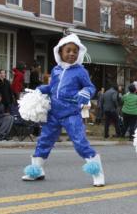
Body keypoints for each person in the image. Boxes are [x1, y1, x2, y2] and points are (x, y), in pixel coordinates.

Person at [21, 34, 105, 187]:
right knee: (44, 141)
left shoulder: (81, 71)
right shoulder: (56, 70)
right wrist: (41, 89)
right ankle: (37, 170)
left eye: (75, 51)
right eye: (68, 50)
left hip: (71, 114)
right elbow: (53, 88)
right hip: (53, 113)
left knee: (80, 142)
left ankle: (97, 172)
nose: (72, 53)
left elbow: (90, 87)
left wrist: (85, 93)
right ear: (60, 52)